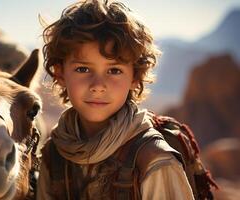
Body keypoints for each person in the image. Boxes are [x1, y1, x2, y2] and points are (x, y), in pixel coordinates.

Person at [37, 0, 194, 199]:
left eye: (114, 70)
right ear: (60, 74)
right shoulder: (54, 154)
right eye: (83, 69)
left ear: (135, 77)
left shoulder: (154, 160)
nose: (98, 85)